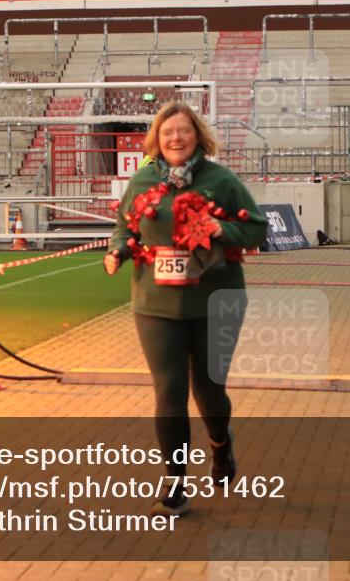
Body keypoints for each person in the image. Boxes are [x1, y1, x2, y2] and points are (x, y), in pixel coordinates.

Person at [104, 101, 267, 517]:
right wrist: (117, 250)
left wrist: (220, 228)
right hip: (155, 302)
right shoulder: (142, 180)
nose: (175, 138)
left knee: (209, 391)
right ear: (157, 139)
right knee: (169, 391)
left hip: (216, 298)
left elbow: (257, 227)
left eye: (183, 131)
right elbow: (125, 225)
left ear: (197, 135)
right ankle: (175, 481)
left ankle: (220, 444)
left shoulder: (221, 180)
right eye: (167, 132)